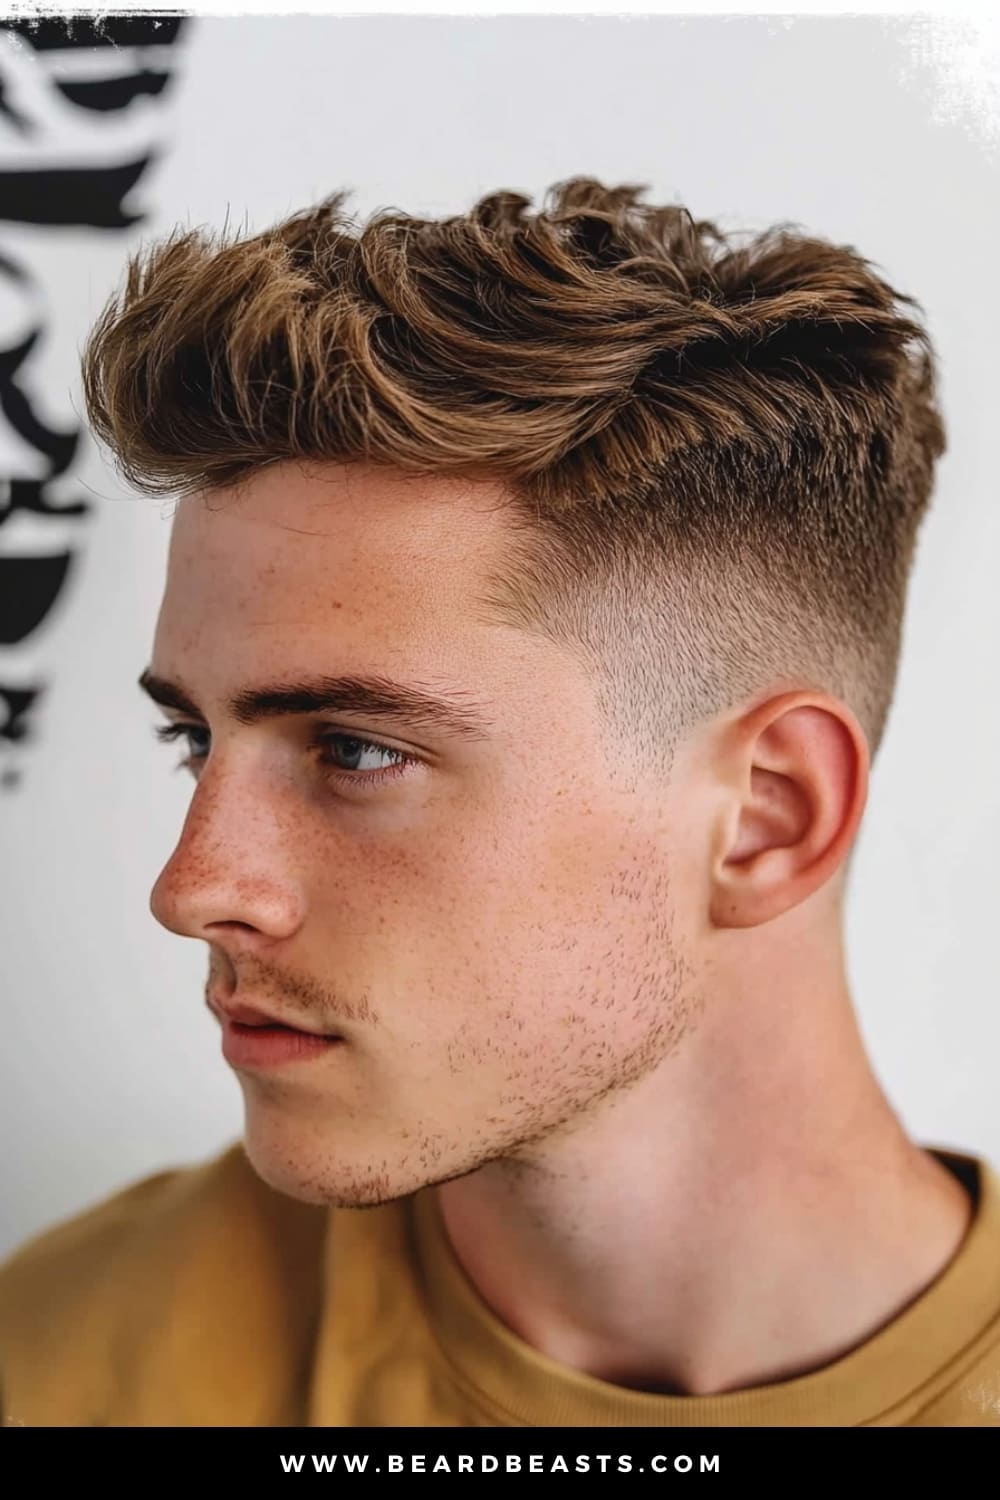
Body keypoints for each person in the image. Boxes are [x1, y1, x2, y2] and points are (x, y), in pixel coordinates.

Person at [1, 176, 997, 1429]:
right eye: (195, 737)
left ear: (765, 816)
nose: (193, 888)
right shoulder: (71, 1362)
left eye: (357, 751)